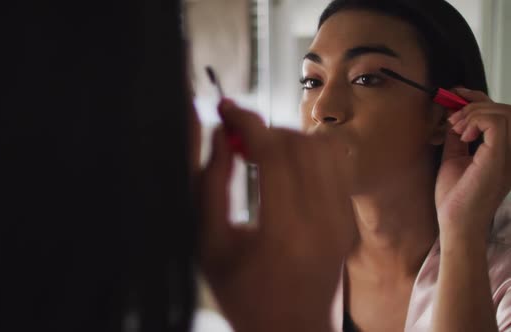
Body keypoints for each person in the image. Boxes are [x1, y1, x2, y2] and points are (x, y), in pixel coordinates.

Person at [197, 0, 511, 331]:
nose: (322, 109)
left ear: (444, 116)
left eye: (366, 79)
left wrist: (462, 234)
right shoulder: (287, 262)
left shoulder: (502, 276)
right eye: (312, 82)